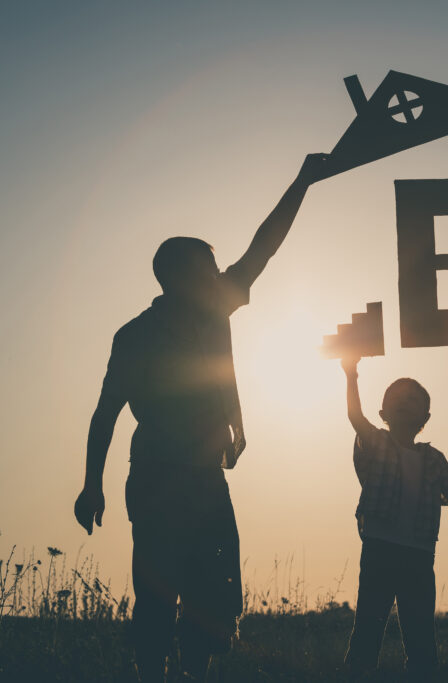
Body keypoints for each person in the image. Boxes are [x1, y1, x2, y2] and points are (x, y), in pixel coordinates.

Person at [73, 153, 329, 683]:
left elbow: (264, 247)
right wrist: (90, 486)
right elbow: (105, 414)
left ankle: (186, 673)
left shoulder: (206, 311)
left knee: (208, 587)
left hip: (200, 473)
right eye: (209, 269)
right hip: (160, 474)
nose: (219, 275)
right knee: (161, 590)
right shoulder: (136, 335)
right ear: (180, 277)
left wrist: (302, 182)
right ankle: (156, 673)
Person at [340, 355, 448, 679]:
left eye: (413, 401)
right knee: (368, 632)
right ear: (383, 412)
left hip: (419, 558)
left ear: (424, 418)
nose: (404, 402)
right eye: (397, 398)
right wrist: (351, 373)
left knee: (421, 641)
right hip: (379, 550)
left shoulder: (434, 459)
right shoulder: (376, 443)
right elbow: (355, 416)